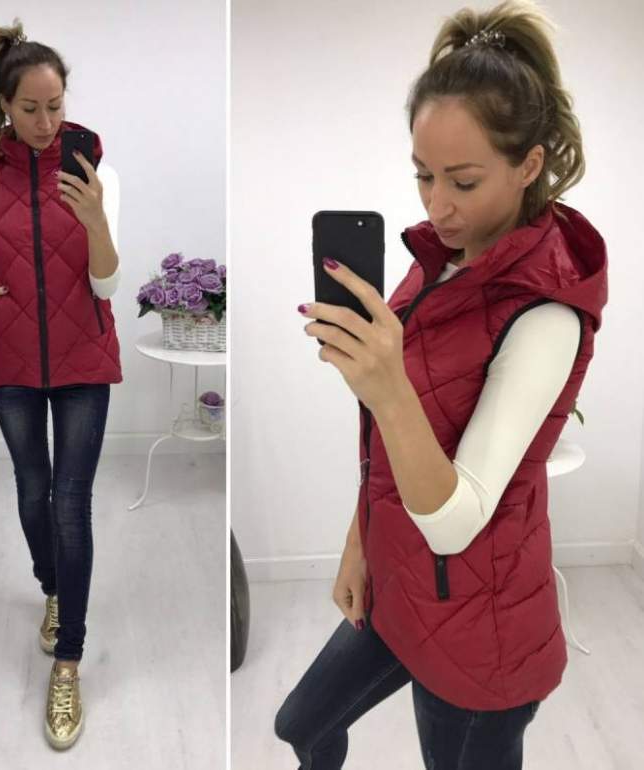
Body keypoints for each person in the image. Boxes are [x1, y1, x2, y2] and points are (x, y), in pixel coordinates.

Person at [275, 1, 608, 768]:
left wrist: (386, 384)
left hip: (482, 635)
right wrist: (358, 545)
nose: (437, 204)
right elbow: (388, 443)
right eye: (423, 176)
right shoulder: (442, 263)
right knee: (301, 725)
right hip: (403, 587)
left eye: (463, 180)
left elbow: (457, 521)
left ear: (529, 164)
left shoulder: (545, 315)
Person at [0, 18, 122, 751]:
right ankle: (52, 590)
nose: (47, 122)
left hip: (84, 360)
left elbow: (107, 281)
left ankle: (69, 660)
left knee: (70, 504)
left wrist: (94, 219)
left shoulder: (95, 172)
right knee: (32, 493)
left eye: (56, 106)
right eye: (30, 108)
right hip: (11, 361)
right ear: (3, 104)